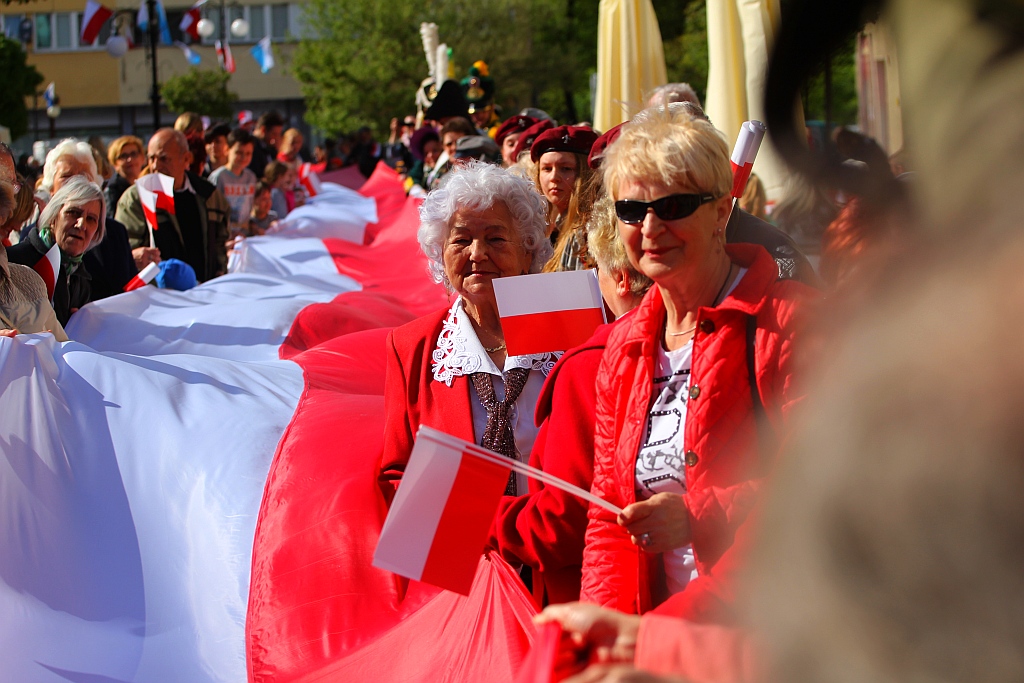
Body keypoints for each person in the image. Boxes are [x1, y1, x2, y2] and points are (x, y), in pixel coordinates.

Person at [579, 110, 814, 624]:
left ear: (722, 210)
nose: (651, 227)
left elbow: (822, 481)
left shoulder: (790, 320)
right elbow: (606, 519)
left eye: (675, 205)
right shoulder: (623, 346)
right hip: (663, 634)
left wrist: (696, 516)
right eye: (632, 209)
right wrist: (609, 638)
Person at [378, 161, 555, 505]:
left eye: (496, 238)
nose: (477, 253)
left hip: (561, 547)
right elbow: (398, 470)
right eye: (461, 239)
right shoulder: (410, 347)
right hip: (467, 551)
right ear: (441, 254)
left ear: (527, 251)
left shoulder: (571, 327)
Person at [116, 128, 230, 282]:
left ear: (186, 159)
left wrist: (220, 270)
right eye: (151, 158)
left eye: (164, 159)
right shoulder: (136, 198)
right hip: (161, 297)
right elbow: (125, 249)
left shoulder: (208, 194)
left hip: (205, 291)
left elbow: (221, 240)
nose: (156, 165)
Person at [7, 177, 106, 326]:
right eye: (73, 212)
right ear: (54, 216)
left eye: (91, 219)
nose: (81, 224)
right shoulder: (13, 262)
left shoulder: (80, 279)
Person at [529, 125, 600, 271]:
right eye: (547, 169)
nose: (554, 177)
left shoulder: (588, 231)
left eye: (566, 168)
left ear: (585, 174)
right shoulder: (545, 226)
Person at [209, 128, 258, 237]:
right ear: (227, 150)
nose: (243, 157)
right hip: (225, 236)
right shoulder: (218, 177)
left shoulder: (251, 177)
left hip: (245, 235)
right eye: (239, 152)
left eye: (248, 153)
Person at [105, 135, 144, 210]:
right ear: (115, 164)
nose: (130, 159)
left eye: (134, 154)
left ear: (142, 158)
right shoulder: (112, 191)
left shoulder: (148, 184)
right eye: (124, 156)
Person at [248, 111, 285, 178]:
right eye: (274, 134)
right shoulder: (251, 146)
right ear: (263, 130)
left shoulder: (269, 147)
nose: (276, 138)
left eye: (278, 134)